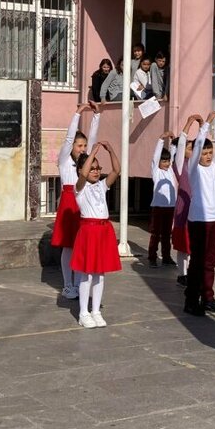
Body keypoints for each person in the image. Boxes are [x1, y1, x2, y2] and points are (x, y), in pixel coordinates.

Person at [52, 102, 102, 300]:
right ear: (72, 146)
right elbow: (69, 137)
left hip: (84, 202)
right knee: (68, 246)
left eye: (84, 146)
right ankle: (67, 285)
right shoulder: (64, 159)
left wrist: (97, 116)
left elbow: (94, 140)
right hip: (68, 202)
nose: (82, 149)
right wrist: (77, 114)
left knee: (82, 246)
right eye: (79, 146)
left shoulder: (85, 161)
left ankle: (82, 282)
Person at [71, 142, 122, 328]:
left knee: (100, 274)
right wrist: (92, 152)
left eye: (98, 168)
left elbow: (117, 170)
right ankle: (83, 312)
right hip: (89, 230)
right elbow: (83, 175)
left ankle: (96, 311)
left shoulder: (101, 186)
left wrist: (110, 150)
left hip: (103, 230)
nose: (95, 171)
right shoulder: (80, 188)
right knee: (86, 275)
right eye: (92, 168)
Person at [184, 112, 215, 316]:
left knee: (210, 262)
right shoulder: (193, 168)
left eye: (210, 152)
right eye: (204, 152)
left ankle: (208, 297)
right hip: (199, 221)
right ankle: (191, 300)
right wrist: (207, 123)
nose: (208, 156)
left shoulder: (214, 166)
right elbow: (199, 143)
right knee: (197, 261)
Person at [173, 115, 202, 287]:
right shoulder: (179, 164)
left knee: (194, 243)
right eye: (190, 148)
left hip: (197, 208)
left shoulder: (197, 166)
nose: (192, 151)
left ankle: (192, 271)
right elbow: (182, 144)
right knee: (182, 245)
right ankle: (181, 274)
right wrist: (189, 123)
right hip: (183, 208)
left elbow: (202, 145)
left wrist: (203, 125)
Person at [148, 131, 177, 268]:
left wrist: (172, 143)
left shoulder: (170, 170)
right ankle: (152, 257)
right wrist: (161, 139)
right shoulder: (156, 171)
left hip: (170, 207)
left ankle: (166, 257)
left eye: (167, 161)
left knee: (167, 234)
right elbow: (155, 157)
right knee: (156, 233)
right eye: (163, 161)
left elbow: (172, 155)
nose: (166, 163)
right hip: (158, 207)